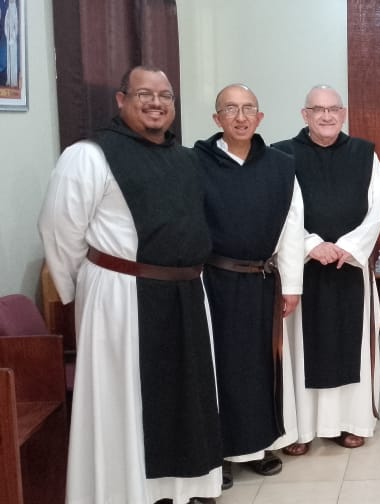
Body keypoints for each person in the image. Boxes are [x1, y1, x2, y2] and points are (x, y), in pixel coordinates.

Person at [39, 65, 222, 504]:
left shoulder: (185, 158)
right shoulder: (88, 156)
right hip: (122, 296)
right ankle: (127, 492)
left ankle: (181, 489)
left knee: (186, 397)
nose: (156, 103)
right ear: (121, 100)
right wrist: (85, 293)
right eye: (144, 94)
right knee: (127, 400)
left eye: (165, 95)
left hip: (186, 294)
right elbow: (59, 230)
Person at [193, 84, 304, 489]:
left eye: (248, 109)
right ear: (216, 118)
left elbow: (292, 226)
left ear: (260, 117)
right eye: (230, 109)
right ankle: (219, 453)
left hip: (261, 282)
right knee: (219, 368)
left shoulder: (281, 165)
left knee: (260, 367)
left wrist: (291, 285)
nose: (240, 117)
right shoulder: (195, 163)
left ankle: (258, 446)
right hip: (213, 282)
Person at [272, 85, 380, 455]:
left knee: (351, 345)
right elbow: (278, 208)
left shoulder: (364, 154)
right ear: (304, 115)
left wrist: (349, 247)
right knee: (303, 350)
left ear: (343, 113)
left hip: (349, 267)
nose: (326, 116)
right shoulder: (282, 154)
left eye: (333, 109)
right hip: (303, 269)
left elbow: (379, 207)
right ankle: (301, 429)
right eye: (318, 109)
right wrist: (311, 245)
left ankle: (350, 423)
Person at [4, 0, 17, 88]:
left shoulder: (15, 12)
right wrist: (7, 36)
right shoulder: (8, 11)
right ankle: (9, 80)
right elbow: (5, 24)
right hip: (8, 40)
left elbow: (16, 26)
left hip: (13, 41)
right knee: (9, 61)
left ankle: (14, 81)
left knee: (13, 61)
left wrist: (13, 38)